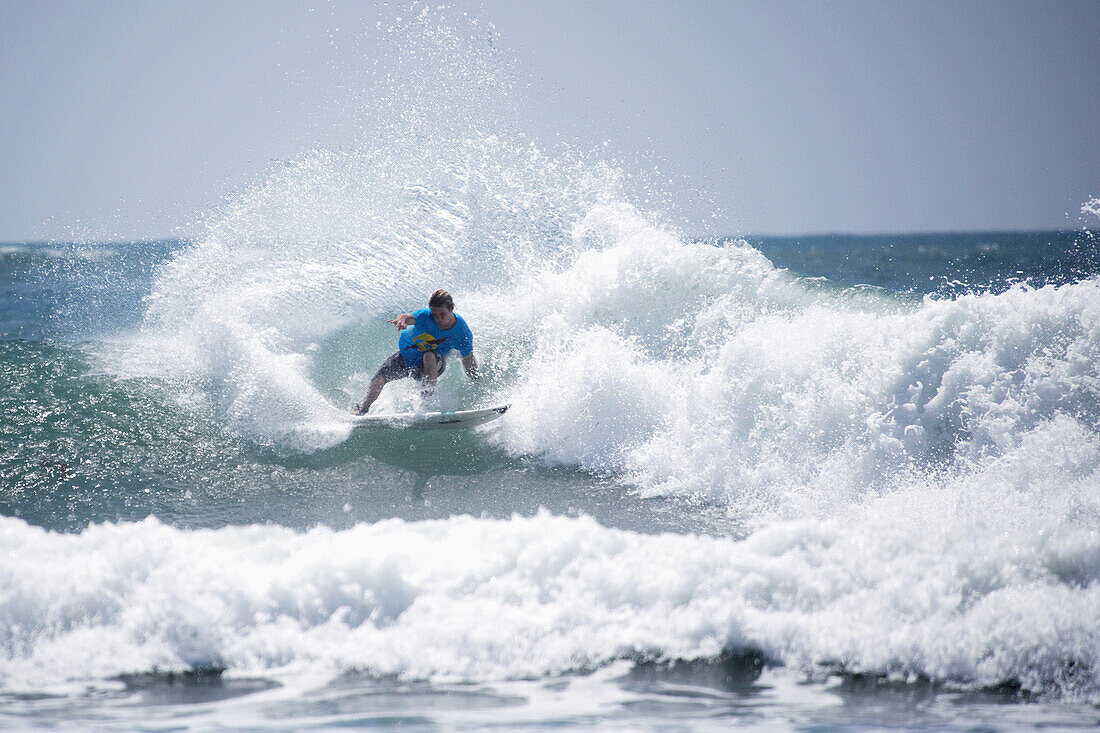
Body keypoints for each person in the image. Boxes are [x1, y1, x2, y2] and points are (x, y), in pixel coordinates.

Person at [352, 289, 478, 414]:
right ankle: (363, 410)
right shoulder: (425, 316)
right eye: (435, 314)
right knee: (379, 379)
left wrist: (475, 378)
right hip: (408, 358)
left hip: (433, 364)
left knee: (429, 355)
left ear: (452, 308)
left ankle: (425, 407)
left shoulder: (462, 332)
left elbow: (468, 358)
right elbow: (407, 317)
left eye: (442, 314)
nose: (438, 318)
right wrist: (401, 320)